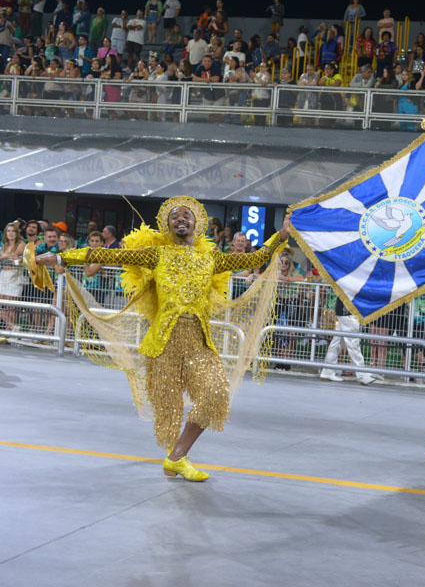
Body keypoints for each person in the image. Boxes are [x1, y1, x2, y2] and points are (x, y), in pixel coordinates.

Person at [34, 196, 292, 481]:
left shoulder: (211, 258)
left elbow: (254, 259)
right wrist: (60, 257)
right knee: (169, 414)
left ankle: (176, 457)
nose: (181, 219)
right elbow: (110, 256)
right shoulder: (156, 255)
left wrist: (280, 236)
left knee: (216, 394)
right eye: (175, 216)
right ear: (168, 225)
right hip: (163, 344)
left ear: (196, 224)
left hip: (199, 343)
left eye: (186, 216)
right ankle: (178, 457)